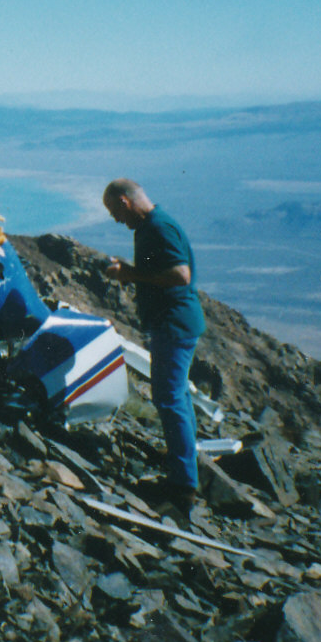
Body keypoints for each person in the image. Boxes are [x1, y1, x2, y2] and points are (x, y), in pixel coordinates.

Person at [101, 178, 206, 511]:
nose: (117, 220)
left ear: (125, 201)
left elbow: (180, 275)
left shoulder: (159, 227)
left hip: (174, 325)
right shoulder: (151, 227)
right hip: (173, 324)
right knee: (176, 398)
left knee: (169, 398)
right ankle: (186, 472)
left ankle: (183, 487)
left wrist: (132, 275)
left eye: (115, 211)